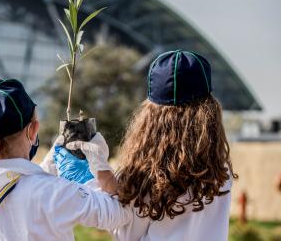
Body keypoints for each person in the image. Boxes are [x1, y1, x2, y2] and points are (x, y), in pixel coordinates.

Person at [54, 50, 237, 241]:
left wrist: (90, 180)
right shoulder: (220, 169)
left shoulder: (146, 175)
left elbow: (124, 231)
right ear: (209, 109)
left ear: (150, 117)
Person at [0, 79, 131, 241]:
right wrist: (99, 168)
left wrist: (49, 163)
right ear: (33, 131)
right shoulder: (54, 192)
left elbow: (23, 189)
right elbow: (120, 212)